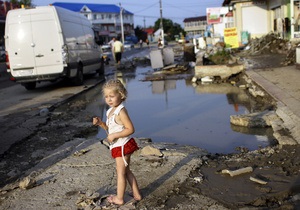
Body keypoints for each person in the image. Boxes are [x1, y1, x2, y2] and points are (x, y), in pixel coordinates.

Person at [101, 79, 142, 206]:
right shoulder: (109, 111)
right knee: (127, 170)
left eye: (112, 96)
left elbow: (130, 129)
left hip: (123, 146)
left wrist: (115, 135)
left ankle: (119, 198)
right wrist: (100, 124)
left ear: (121, 95)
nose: (109, 99)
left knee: (120, 173)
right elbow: (110, 129)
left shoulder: (121, 111)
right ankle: (137, 194)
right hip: (118, 145)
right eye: (106, 96)